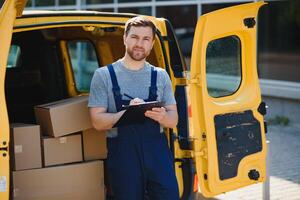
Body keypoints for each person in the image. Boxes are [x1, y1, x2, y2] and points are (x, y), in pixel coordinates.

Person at [88, 16, 179, 200]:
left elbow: (174, 119)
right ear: (125, 38)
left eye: (146, 39)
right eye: (135, 37)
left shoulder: (161, 76)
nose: (140, 44)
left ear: (152, 43)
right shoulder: (103, 75)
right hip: (124, 156)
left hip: (157, 154)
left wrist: (161, 116)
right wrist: (127, 114)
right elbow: (97, 121)